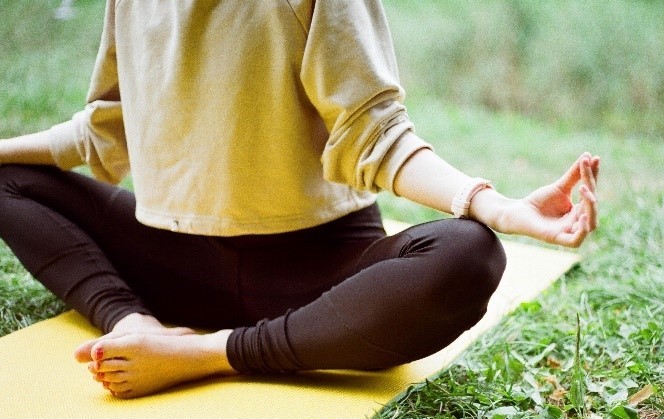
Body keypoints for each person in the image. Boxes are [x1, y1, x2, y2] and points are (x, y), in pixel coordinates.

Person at [0, 0, 599, 399]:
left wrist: (495, 207)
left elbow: (377, 135)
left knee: (468, 254)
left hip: (318, 276)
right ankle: (140, 329)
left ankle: (207, 353)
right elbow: (106, 129)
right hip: (177, 262)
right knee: (7, 178)